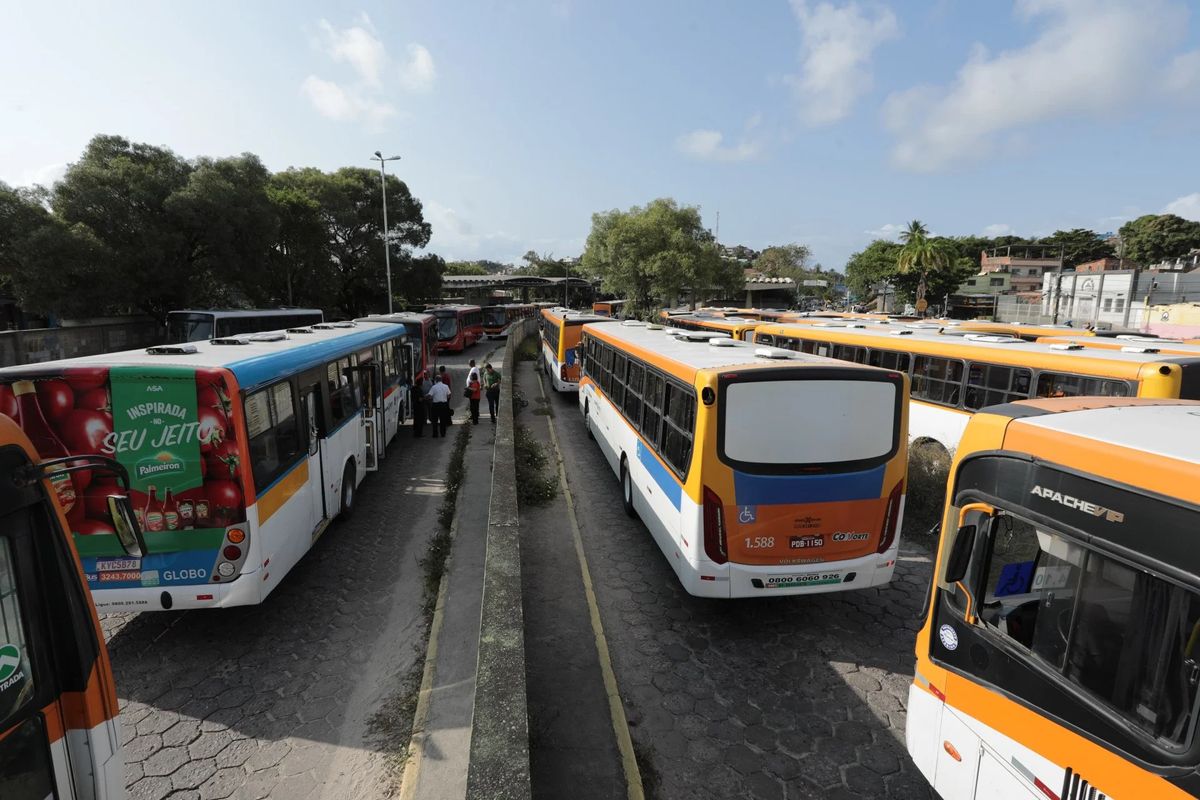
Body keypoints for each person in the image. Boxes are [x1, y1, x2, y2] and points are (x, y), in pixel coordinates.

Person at [411, 372, 428, 437]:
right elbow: (420, 399)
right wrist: (425, 398)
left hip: (415, 406)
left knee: (416, 420)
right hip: (420, 407)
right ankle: (419, 434)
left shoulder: (413, 388)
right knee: (420, 421)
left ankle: (415, 433)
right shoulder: (419, 390)